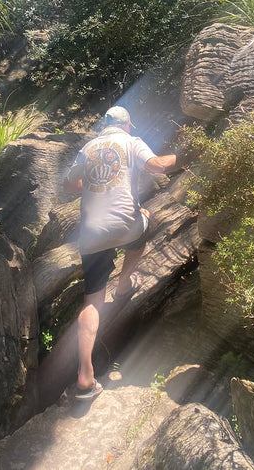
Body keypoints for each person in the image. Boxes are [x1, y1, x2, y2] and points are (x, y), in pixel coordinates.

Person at [64, 105, 178, 400]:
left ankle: (85, 376)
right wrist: (183, 155)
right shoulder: (131, 141)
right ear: (128, 126)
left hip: (90, 235)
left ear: (104, 126)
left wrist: (93, 181)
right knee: (144, 221)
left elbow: (70, 185)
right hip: (126, 226)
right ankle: (125, 282)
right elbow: (158, 165)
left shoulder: (89, 147)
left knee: (92, 302)